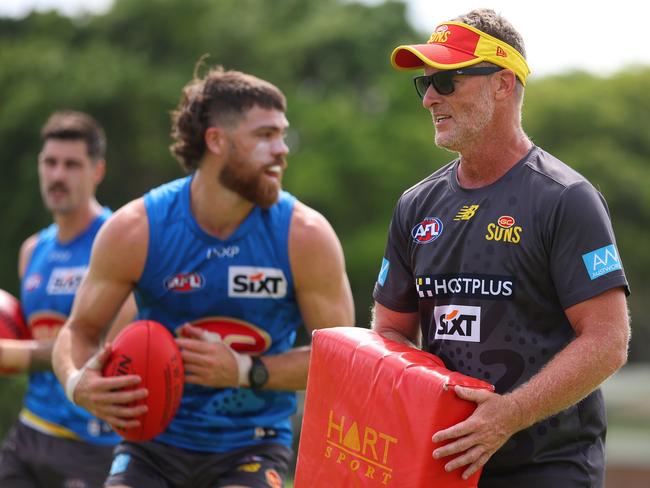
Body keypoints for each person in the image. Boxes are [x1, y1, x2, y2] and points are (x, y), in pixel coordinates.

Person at [52, 65, 355, 488]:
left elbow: (342, 364)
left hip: (252, 444)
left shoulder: (305, 236)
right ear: (217, 140)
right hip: (151, 444)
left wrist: (246, 370)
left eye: (282, 134)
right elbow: (78, 330)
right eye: (265, 136)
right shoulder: (136, 229)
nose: (282, 149)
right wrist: (75, 381)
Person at [372, 8, 630, 488]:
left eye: (447, 82)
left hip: (547, 467)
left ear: (503, 84)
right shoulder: (415, 204)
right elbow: (390, 331)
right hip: (445, 463)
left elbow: (607, 342)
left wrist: (509, 414)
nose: (429, 99)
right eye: (424, 85)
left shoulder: (566, 199)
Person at [0, 111, 136, 487]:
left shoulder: (119, 242)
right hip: (33, 428)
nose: (58, 175)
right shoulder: (32, 251)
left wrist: (12, 354)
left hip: (93, 440)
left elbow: (103, 350)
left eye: (72, 164)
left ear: (97, 171)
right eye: (50, 162)